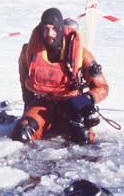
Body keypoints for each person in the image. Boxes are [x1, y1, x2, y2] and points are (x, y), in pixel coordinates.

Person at [11, 8, 109, 144]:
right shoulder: (29, 53)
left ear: (61, 30)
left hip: (70, 106)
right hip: (42, 105)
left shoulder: (82, 55)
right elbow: (24, 82)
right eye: (45, 29)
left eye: (53, 29)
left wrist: (87, 99)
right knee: (21, 134)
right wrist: (27, 107)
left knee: (83, 138)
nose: (49, 34)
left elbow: (102, 87)